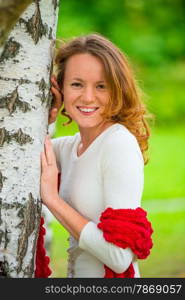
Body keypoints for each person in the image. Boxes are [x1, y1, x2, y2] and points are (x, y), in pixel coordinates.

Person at [40, 33, 153, 278]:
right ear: (61, 88)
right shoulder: (71, 147)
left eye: (101, 86)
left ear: (117, 90)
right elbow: (26, 151)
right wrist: (45, 117)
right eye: (77, 84)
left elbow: (120, 258)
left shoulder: (117, 144)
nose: (88, 97)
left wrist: (52, 199)